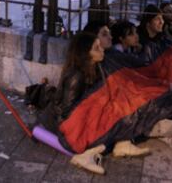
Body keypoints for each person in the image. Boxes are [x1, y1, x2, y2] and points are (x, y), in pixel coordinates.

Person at [38, 32, 151, 174]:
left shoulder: (95, 67)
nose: (102, 49)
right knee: (111, 113)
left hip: (82, 115)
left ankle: (122, 142)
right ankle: (88, 154)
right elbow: (66, 113)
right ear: (86, 54)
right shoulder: (76, 77)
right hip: (64, 124)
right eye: (96, 48)